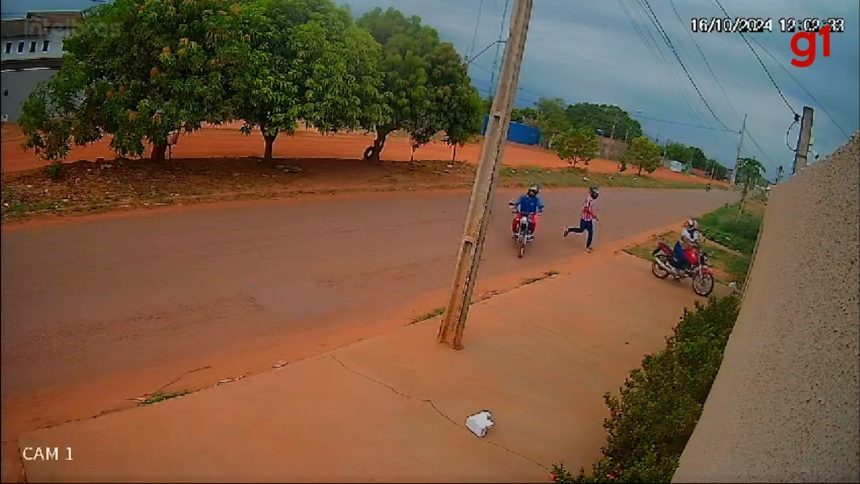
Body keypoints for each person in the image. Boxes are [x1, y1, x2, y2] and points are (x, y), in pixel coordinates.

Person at [564, 186, 599, 252]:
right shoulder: (589, 200)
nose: (596, 194)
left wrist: (593, 215)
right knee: (581, 230)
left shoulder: (592, 199)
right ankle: (568, 229)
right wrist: (594, 215)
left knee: (590, 232)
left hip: (589, 219)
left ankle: (588, 247)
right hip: (584, 218)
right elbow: (586, 209)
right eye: (595, 193)